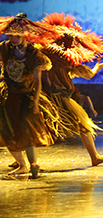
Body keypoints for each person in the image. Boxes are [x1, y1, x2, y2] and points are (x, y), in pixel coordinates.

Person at [36, 12, 103, 166]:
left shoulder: (42, 54)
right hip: (55, 97)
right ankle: (94, 157)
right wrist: (96, 68)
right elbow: (88, 75)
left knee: (33, 126)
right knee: (82, 126)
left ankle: (20, 159)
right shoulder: (64, 58)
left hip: (46, 96)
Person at [0, 13, 57, 178]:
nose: (14, 39)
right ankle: (22, 165)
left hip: (27, 96)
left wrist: (36, 102)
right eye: (11, 35)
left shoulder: (34, 55)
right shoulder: (4, 48)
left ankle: (33, 164)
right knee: (7, 131)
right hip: (9, 96)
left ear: (25, 35)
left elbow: (38, 82)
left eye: (17, 36)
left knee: (28, 131)